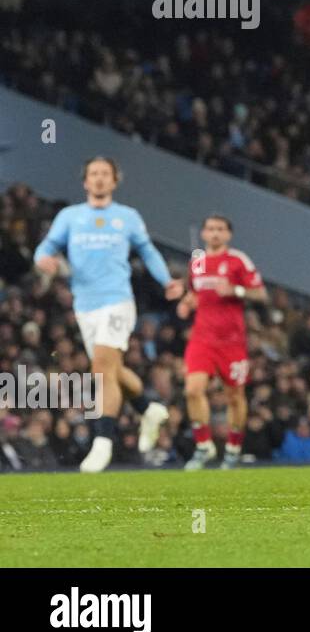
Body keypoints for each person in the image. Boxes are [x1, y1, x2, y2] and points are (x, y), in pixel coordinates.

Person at [33, 157, 183, 472]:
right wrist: (42, 259)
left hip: (117, 301)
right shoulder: (70, 217)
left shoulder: (127, 217)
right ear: (85, 181)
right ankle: (148, 408)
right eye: (93, 174)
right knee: (111, 370)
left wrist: (167, 279)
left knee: (101, 368)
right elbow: (45, 248)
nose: (99, 179)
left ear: (115, 181)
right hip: (84, 305)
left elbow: (148, 251)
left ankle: (103, 443)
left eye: (105, 174)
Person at [176, 214, 267, 470]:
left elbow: (261, 293)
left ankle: (233, 449)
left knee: (235, 396)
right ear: (203, 234)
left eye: (220, 229)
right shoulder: (197, 262)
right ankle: (203, 447)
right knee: (193, 390)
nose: (215, 233)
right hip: (202, 338)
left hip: (232, 341)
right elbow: (195, 293)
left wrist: (236, 290)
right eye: (210, 229)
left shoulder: (238, 260)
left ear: (228, 235)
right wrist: (186, 303)